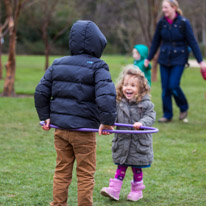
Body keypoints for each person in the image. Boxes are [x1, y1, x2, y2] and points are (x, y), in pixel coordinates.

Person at [34, 20, 117, 206]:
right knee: (85, 173)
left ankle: (57, 204)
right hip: (84, 131)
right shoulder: (99, 66)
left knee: (62, 171)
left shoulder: (58, 64)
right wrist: (107, 121)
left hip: (61, 130)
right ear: (98, 43)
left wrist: (44, 116)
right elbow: (106, 97)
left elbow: (40, 92)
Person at [100, 65, 156, 202]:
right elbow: (113, 116)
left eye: (132, 85)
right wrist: (109, 124)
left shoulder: (146, 104)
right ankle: (114, 190)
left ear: (141, 89)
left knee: (136, 168)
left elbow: (150, 116)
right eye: (125, 84)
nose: (128, 88)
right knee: (121, 166)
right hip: (123, 141)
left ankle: (137, 191)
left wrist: (142, 123)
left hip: (138, 143)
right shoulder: (118, 103)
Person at [144, 0, 206, 123]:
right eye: (163, 7)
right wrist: (148, 58)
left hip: (179, 59)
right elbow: (156, 41)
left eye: (166, 7)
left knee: (173, 85)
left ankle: (183, 107)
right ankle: (167, 115)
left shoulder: (183, 23)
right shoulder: (162, 23)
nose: (163, 10)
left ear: (173, 8)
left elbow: (193, 42)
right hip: (164, 59)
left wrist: (200, 61)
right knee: (165, 88)